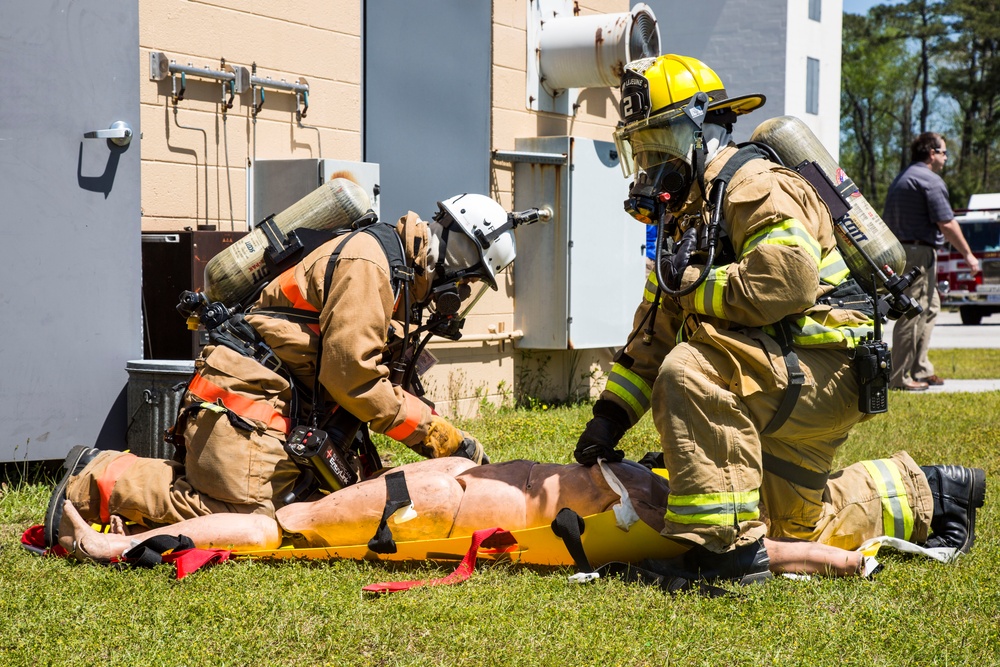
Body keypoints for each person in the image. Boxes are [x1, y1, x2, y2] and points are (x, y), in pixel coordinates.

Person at [571, 54, 987, 580]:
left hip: (820, 368)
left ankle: (723, 554)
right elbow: (653, 327)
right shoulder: (688, 215)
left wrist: (694, 287)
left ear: (703, 129)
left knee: (689, 371)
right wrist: (609, 417)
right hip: (787, 374)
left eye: (663, 143)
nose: (653, 164)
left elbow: (786, 280)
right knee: (793, 530)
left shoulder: (753, 185)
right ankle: (937, 492)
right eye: (642, 148)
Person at [44, 193, 526, 547]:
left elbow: (379, 376)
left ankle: (162, 480)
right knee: (257, 518)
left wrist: (436, 429)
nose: (463, 292)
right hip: (245, 402)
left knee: (319, 506)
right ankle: (96, 476)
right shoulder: (371, 266)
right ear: (458, 252)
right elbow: (352, 377)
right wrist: (435, 435)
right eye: (470, 276)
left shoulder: (396, 274)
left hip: (270, 403)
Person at [53, 451, 982, 582]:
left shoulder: (684, 508)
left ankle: (114, 526)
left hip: (440, 505)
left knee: (282, 523)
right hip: (442, 501)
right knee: (281, 522)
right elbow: (759, 545)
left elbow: (755, 545)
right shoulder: (669, 501)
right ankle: (113, 522)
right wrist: (833, 562)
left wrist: (833, 563)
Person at [882, 132, 981, 391]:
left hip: (902, 250)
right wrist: (969, 255)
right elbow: (947, 223)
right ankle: (899, 377)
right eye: (944, 152)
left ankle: (921, 368)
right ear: (932, 153)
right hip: (918, 253)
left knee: (931, 307)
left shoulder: (902, 178)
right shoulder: (929, 180)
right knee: (912, 312)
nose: (946, 158)